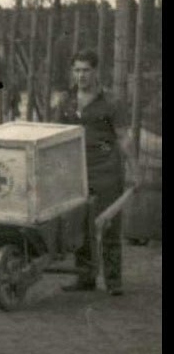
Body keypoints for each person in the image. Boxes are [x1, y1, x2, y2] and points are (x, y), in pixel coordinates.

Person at [53, 49, 138, 296]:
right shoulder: (65, 102)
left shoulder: (111, 102)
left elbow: (123, 138)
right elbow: (55, 135)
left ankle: (113, 281)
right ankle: (85, 277)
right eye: (77, 70)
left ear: (96, 71)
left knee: (109, 224)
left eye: (86, 70)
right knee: (80, 225)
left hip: (106, 171)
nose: (81, 75)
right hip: (75, 171)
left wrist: (134, 169)